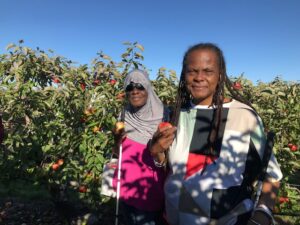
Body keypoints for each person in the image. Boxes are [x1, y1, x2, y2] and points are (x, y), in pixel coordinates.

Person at [150, 43, 282, 225]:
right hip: (175, 216)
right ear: (184, 75)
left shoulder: (244, 116)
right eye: (192, 71)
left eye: (208, 71)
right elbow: (172, 168)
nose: (199, 78)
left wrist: (262, 214)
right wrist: (156, 152)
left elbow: (271, 175)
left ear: (220, 75)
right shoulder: (176, 114)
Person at [112, 69, 169, 225]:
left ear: (148, 88)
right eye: (129, 88)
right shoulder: (124, 115)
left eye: (140, 86)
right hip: (125, 188)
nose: (135, 91)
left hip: (149, 194)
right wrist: (116, 140)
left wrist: (156, 151)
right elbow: (118, 153)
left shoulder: (165, 116)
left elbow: (169, 162)